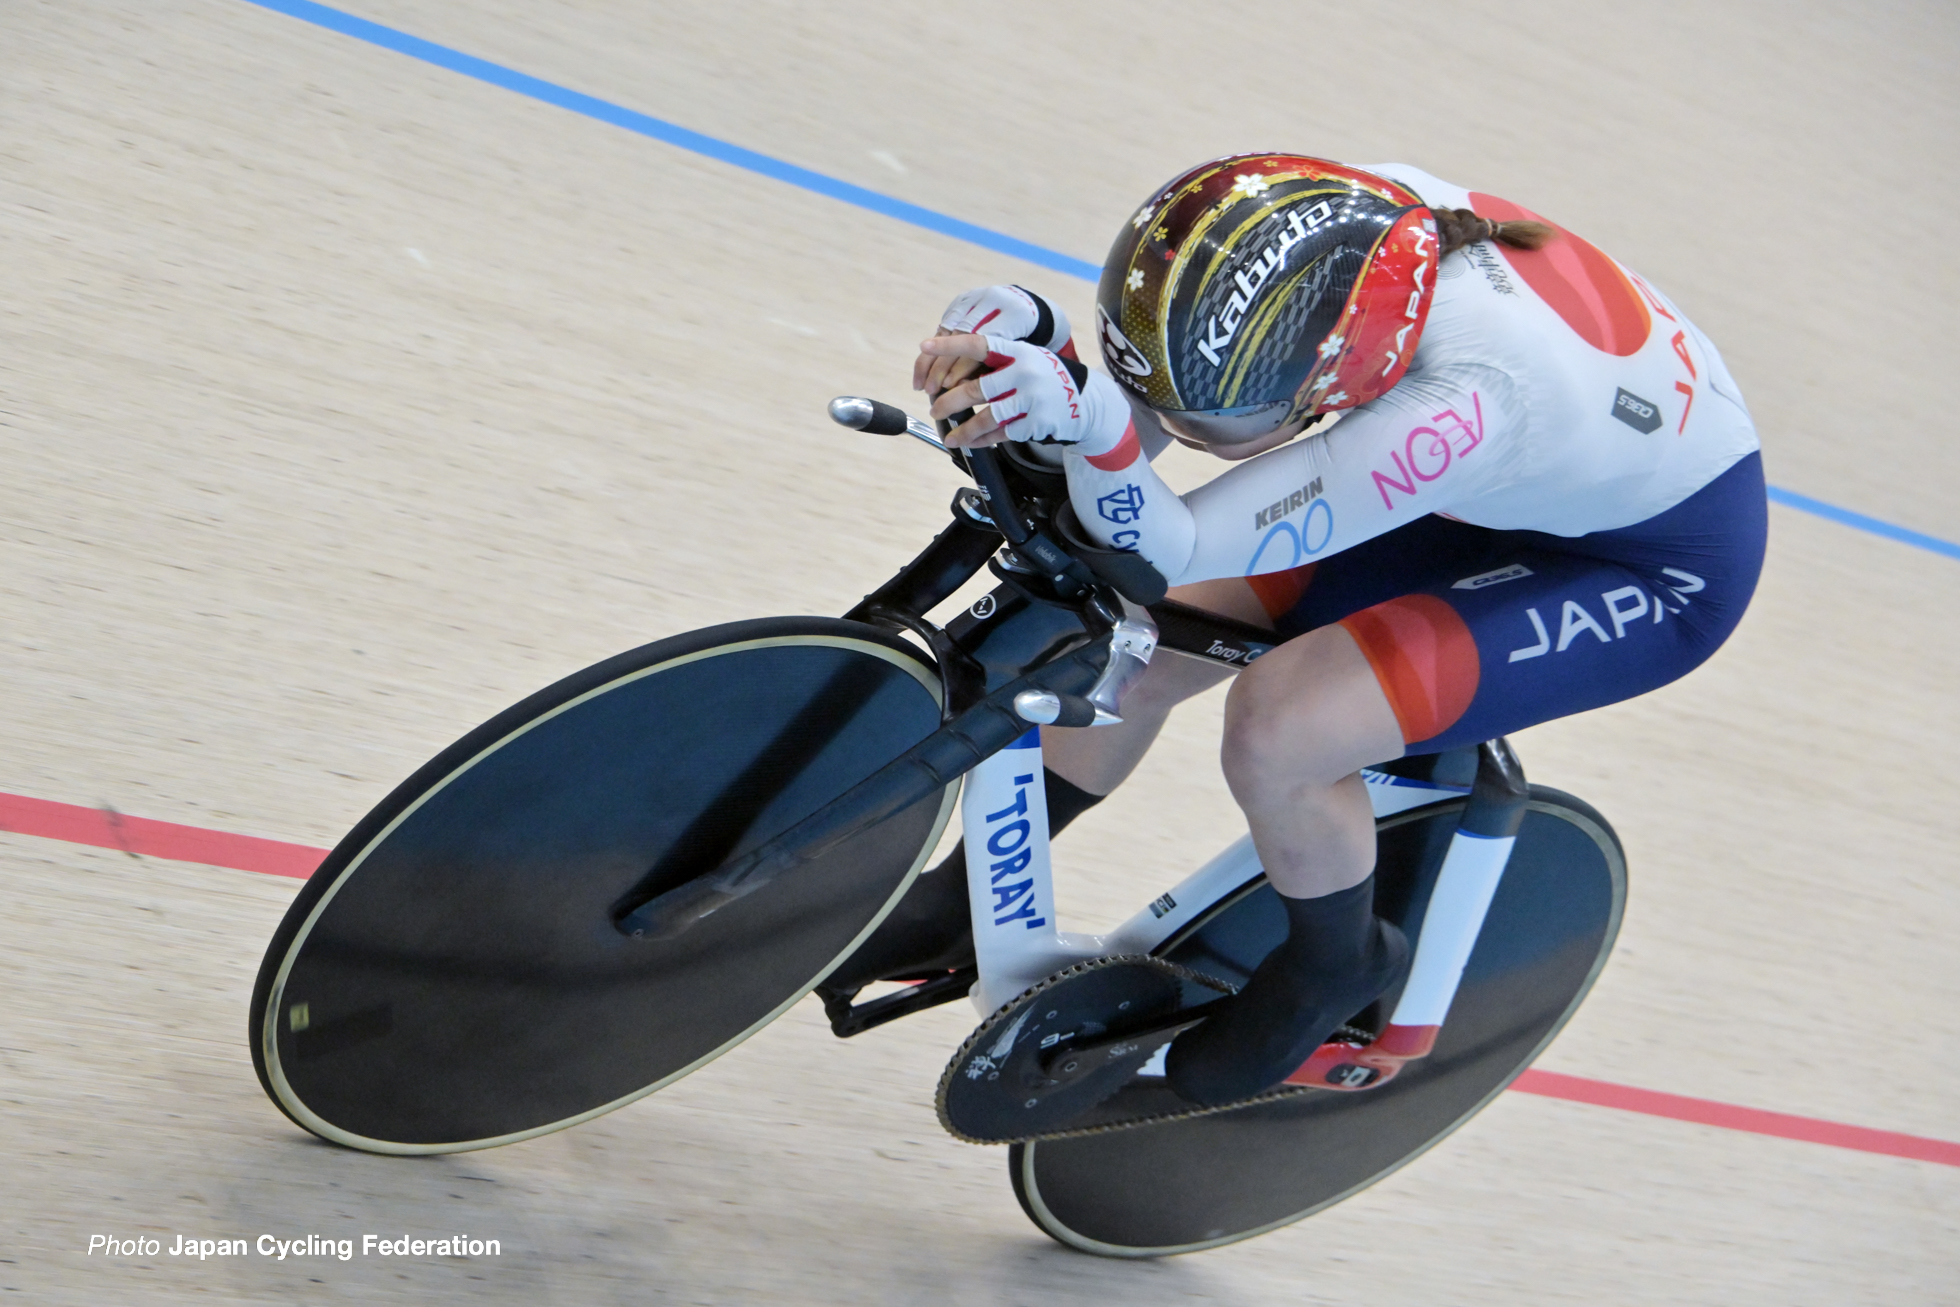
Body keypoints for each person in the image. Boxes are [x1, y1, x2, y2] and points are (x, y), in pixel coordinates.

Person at [830, 154, 1766, 1108]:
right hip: (1503, 472)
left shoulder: (1471, 407)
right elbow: (1153, 401)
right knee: (1136, 641)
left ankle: (1336, 962)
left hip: (1647, 562)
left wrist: (1089, 428)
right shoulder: (1313, 225)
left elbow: (1170, 541)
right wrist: (1051, 363)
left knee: (1283, 725)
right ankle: (961, 902)